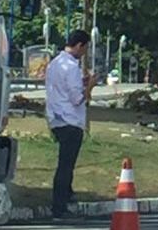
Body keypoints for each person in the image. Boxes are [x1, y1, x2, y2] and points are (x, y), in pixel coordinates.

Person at [45, 30, 96, 220]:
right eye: (85, 49)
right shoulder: (72, 67)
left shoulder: (55, 63)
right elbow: (77, 99)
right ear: (80, 45)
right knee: (66, 166)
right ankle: (59, 207)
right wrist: (89, 86)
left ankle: (67, 196)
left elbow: (63, 88)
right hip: (71, 120)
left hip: (56, 118)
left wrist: (82, 83)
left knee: (65, 164)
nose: (84, 53)